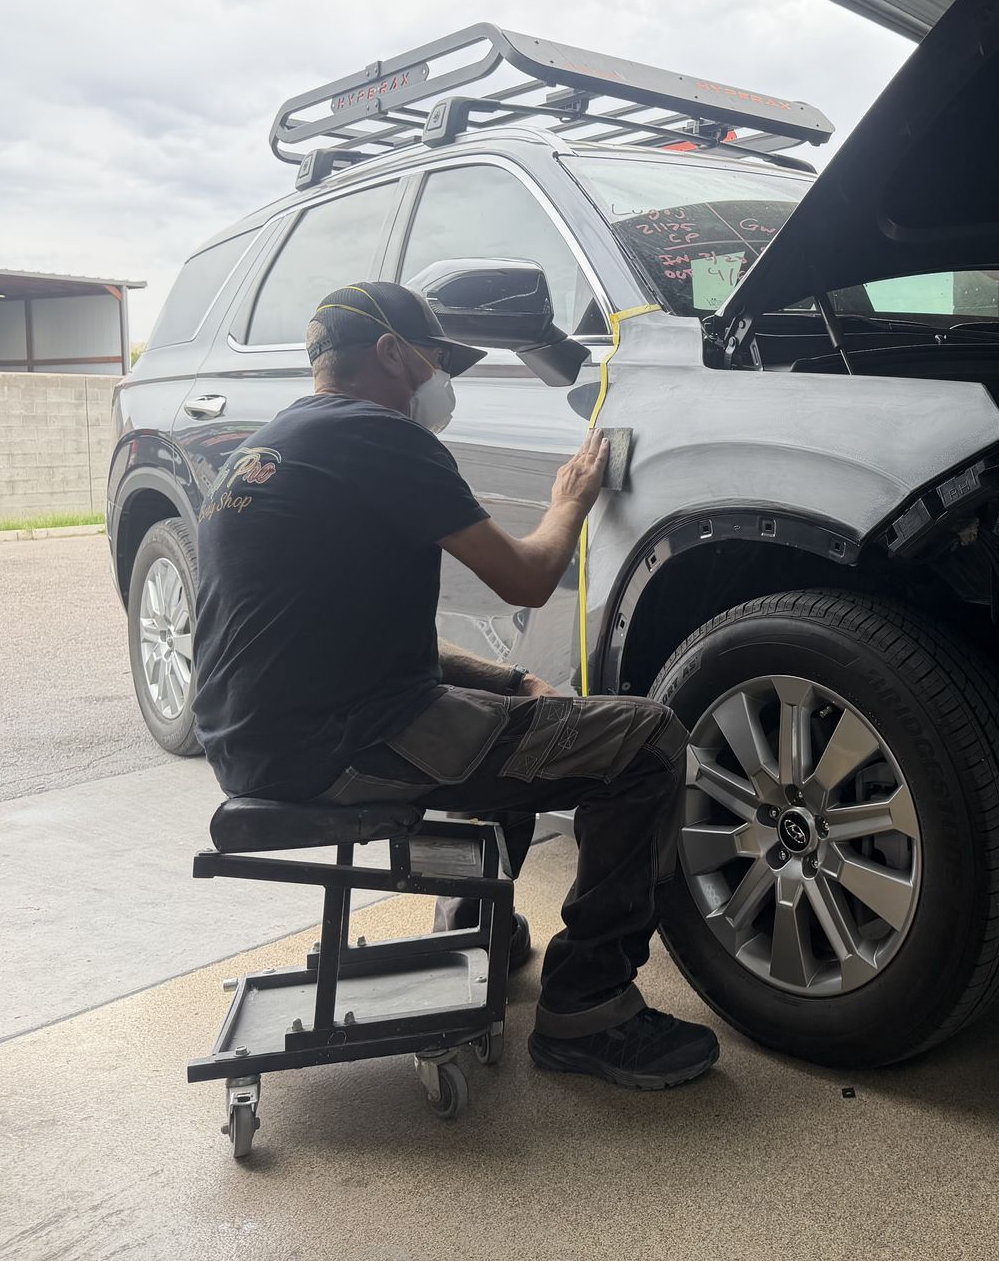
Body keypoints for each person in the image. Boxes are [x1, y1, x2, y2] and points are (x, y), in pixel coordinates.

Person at [190, 280, 718, 1090]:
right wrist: (569, 502)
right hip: (340, 743)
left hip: (262, 740)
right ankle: (590, 1006)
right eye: (440, 359)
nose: (447, 381)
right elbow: (528, 578)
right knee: (646, 741)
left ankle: (474, 927)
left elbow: (355, 639)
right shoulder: (377, 436)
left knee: (502, 716)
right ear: (392, 353)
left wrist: (510, 677)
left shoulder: (270, 447)